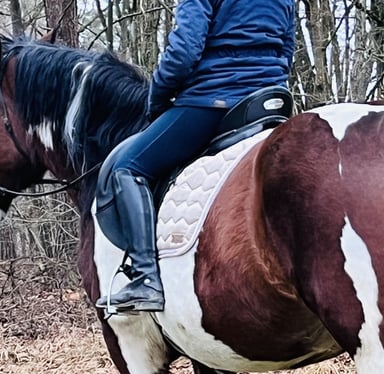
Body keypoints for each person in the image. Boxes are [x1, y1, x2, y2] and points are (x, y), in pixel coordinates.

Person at [95, 0, 297, 314]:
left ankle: (146, 277)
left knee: (127, 167)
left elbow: (183, 51)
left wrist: (157, 97)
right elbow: (287, 47)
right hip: (266, 100)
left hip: (213, 100)